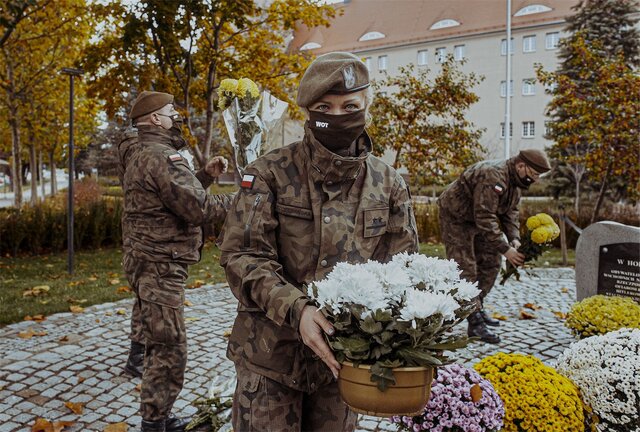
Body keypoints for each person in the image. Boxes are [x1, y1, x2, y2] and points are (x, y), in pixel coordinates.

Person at [218, 52, 419, 431]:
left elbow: (403, 271)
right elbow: (241, 257)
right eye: (325, 107)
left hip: (343, 364)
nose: (338, 115)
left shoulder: (388, 184)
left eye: (350, 106)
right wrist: (300, 311)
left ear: (366, 108)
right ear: (309, 111)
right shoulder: (269, 174)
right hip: (270, 359)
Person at [118, 90, 233, 432]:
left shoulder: (141, 151)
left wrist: (206, 176)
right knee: (169, 347)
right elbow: (198, 209)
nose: (175, 116)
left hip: (144, 258)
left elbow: (175, 196)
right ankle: (156, 423)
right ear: (154, 118)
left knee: (158, 337)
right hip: (161, 264)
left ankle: (152, 406)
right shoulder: (162, 156)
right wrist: (248, 195)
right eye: (170, 111)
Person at [437, 149, 551, 344]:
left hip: (477, 220)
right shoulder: (493, 175)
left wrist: (514, 238)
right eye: (533, 174)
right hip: (456, 217)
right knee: (466, 268)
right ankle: (474, 322)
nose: (535, 180)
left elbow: (511, 213)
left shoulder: (514, 183)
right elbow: (485, 216)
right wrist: (506, 249)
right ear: (521, 165)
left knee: (491, 262)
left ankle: (476, 306)